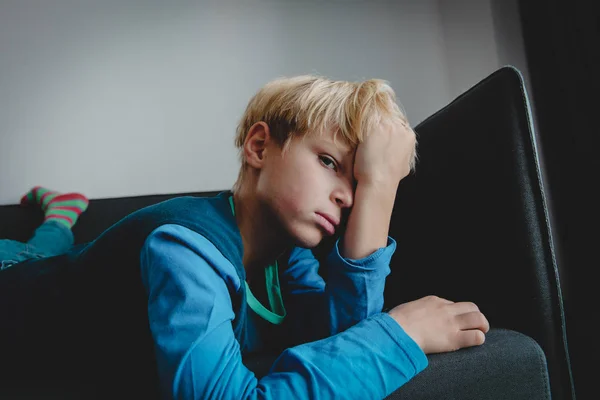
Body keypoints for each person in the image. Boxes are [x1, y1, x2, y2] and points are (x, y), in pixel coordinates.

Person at [0, 76, 490, 400]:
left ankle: (60, 217)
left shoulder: (287, 257)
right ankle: (58, 220)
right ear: (259, 146)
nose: (347, 196)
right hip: (12, 288)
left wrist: (380, 190)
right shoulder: (186, 250)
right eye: (328, 163)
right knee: (28, 255)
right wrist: (399, 336)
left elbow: (338, 335)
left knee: (47, 246)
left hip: (50, 267)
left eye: (357, 183)